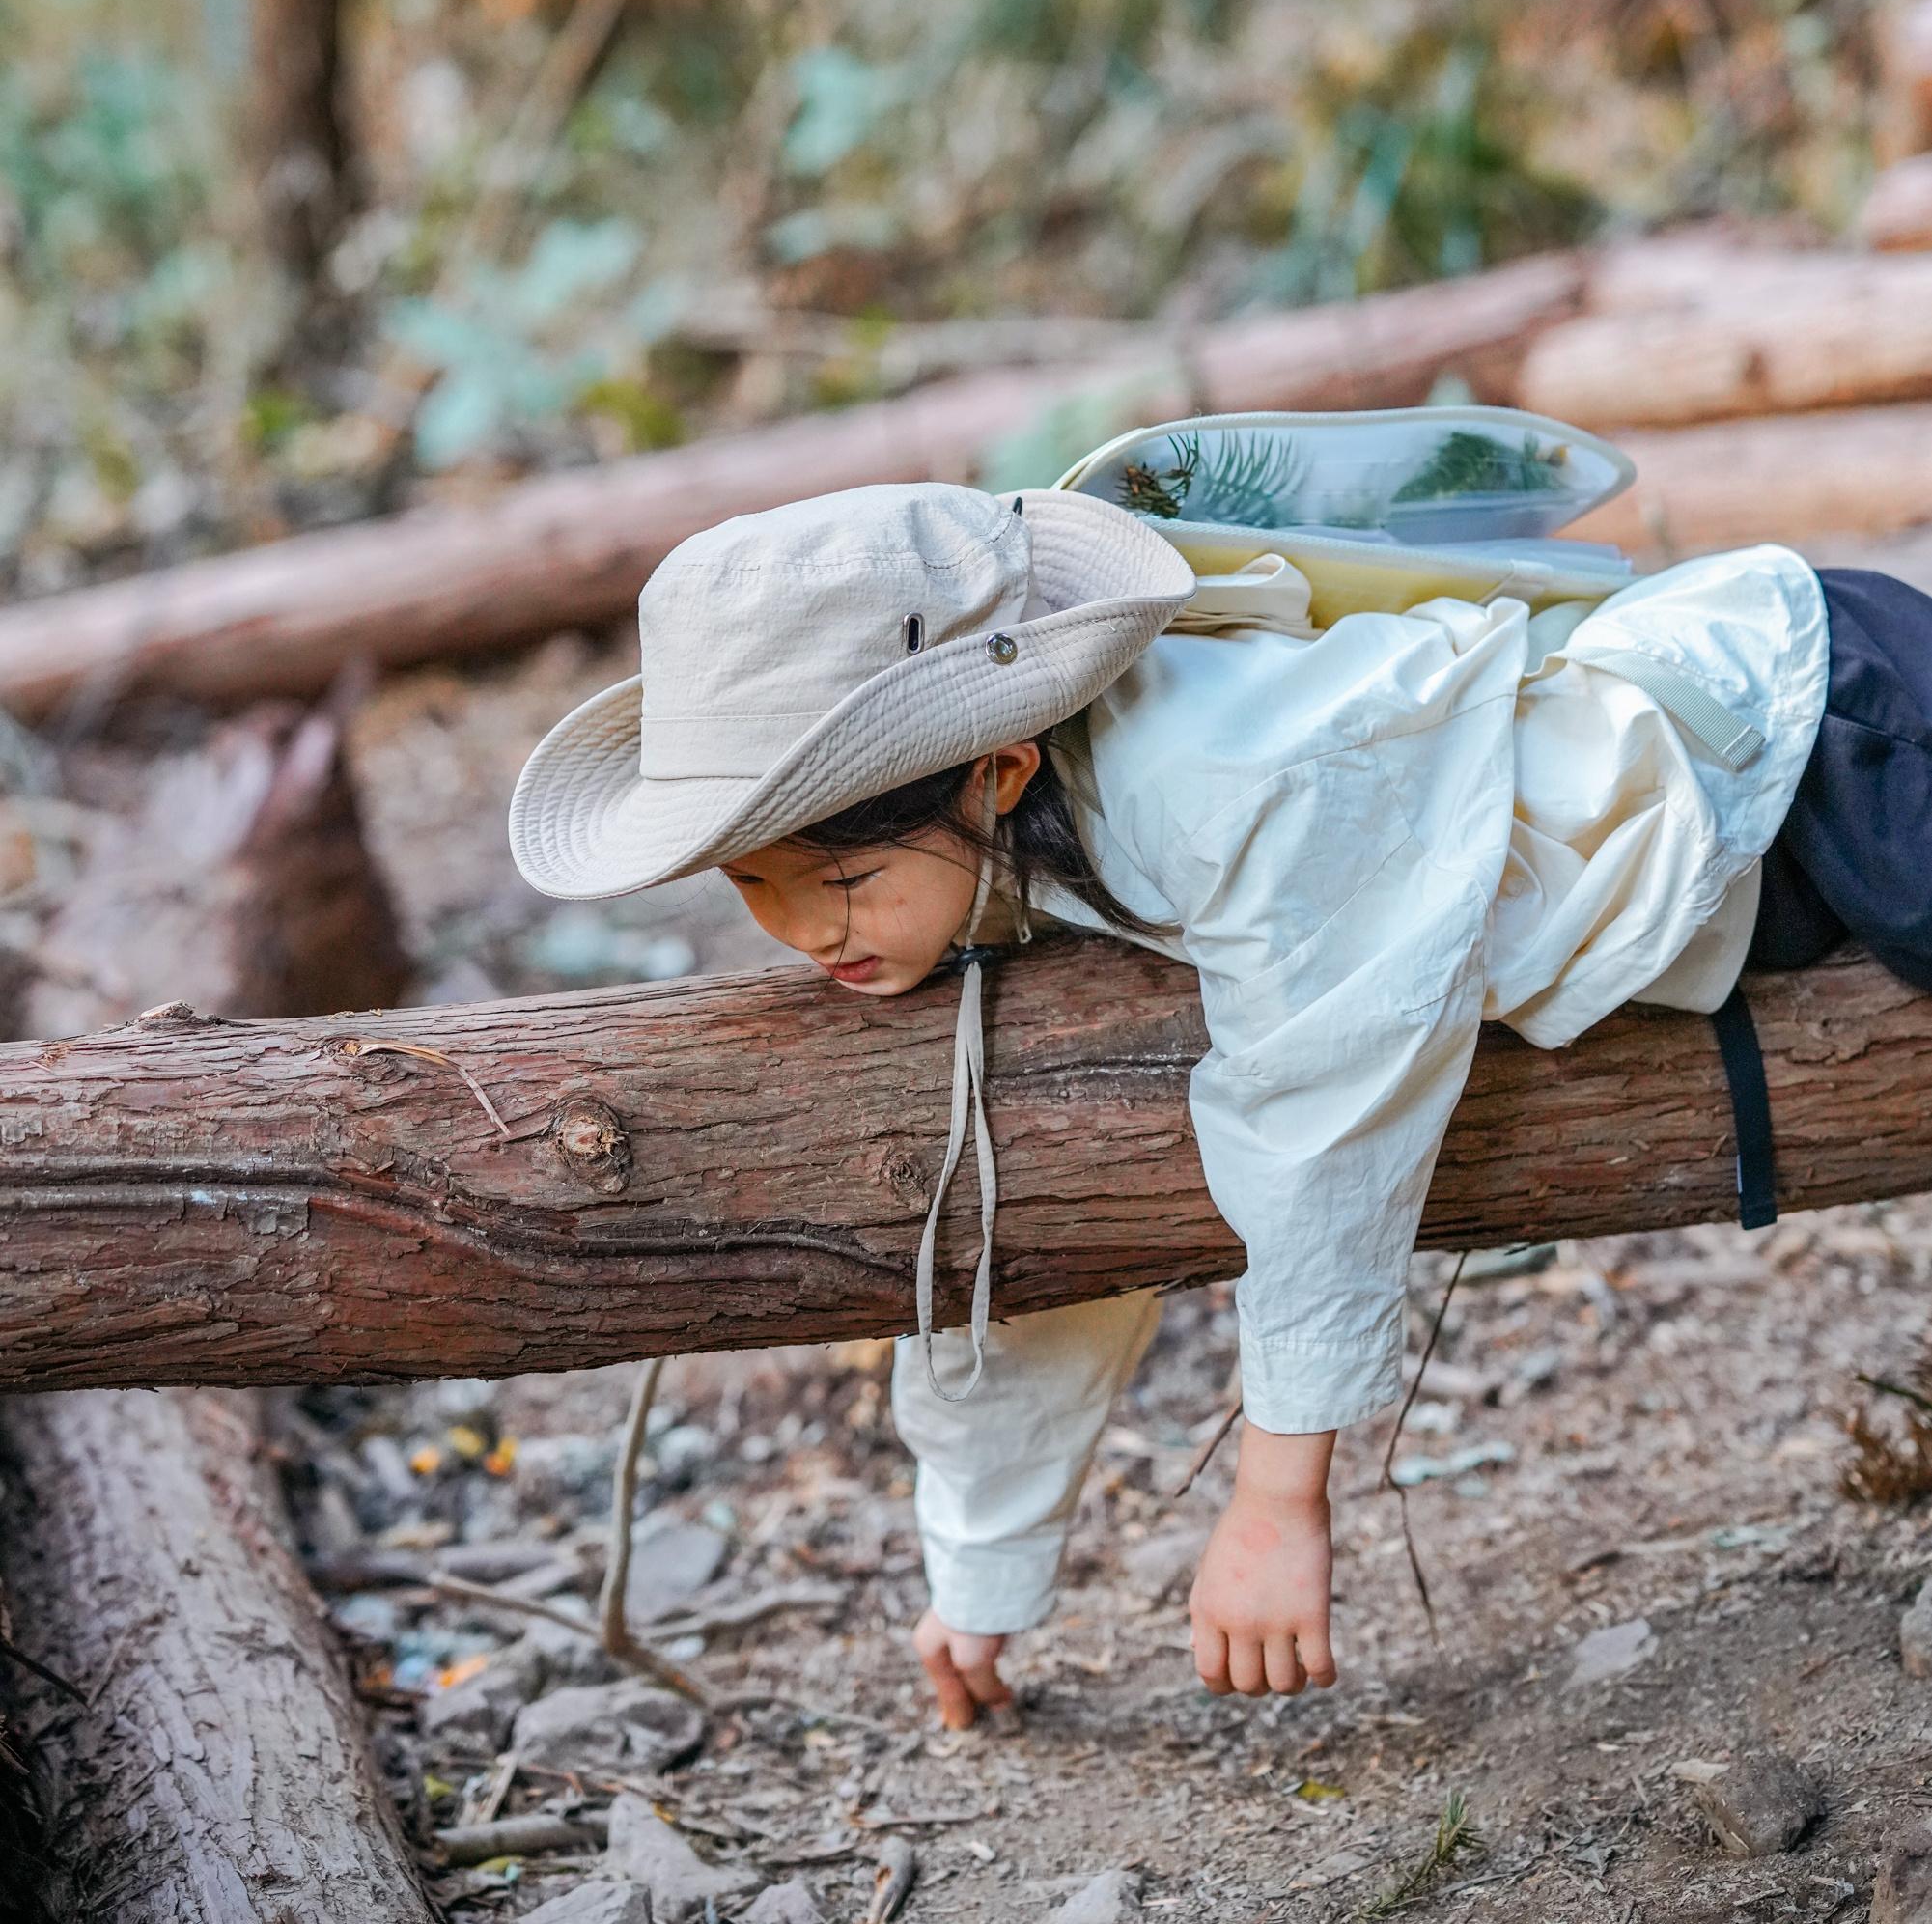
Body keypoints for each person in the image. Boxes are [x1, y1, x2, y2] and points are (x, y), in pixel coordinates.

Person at [508, 473, 1932, 1730]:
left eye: (845, 883)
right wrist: (984, 1568)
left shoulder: (1218, 779)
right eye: (752, 890)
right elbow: (1021, 1202)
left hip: (1819, 745)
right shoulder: (995, 862)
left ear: (997, 768)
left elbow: (1325, 1107)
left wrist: (1274, 1496)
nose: (807, 936)